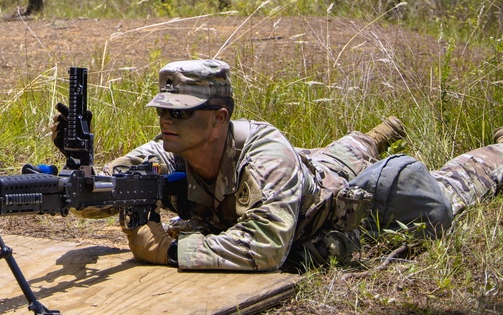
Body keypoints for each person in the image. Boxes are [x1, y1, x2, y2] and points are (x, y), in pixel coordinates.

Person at [88, 59, 503, 271]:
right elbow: (101, 193)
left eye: (180, 113)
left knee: (449, 187)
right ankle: (373, 136)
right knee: (335, 154)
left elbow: (266, 248)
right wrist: (81, 171)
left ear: (219, 118)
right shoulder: (168, 149)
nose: (166, 121)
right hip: (310, 166)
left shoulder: (266, 156)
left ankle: (497, 153)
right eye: (163, 110)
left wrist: (168, 249)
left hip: (324, 208)